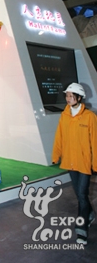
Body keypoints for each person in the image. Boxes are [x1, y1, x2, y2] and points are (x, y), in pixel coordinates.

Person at [52, 82, 97, 245]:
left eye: (71, 96)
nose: (68, 98)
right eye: (67, 95)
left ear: (79, 97)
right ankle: (89, 214)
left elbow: (95, 142)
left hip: (83, 163)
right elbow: (59, 137)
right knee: (80, 195)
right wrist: (56, 155)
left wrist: (95, 163)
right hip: (70, 162)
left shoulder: (90, 117)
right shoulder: (64, 116)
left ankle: (82, 230)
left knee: (83, 195)